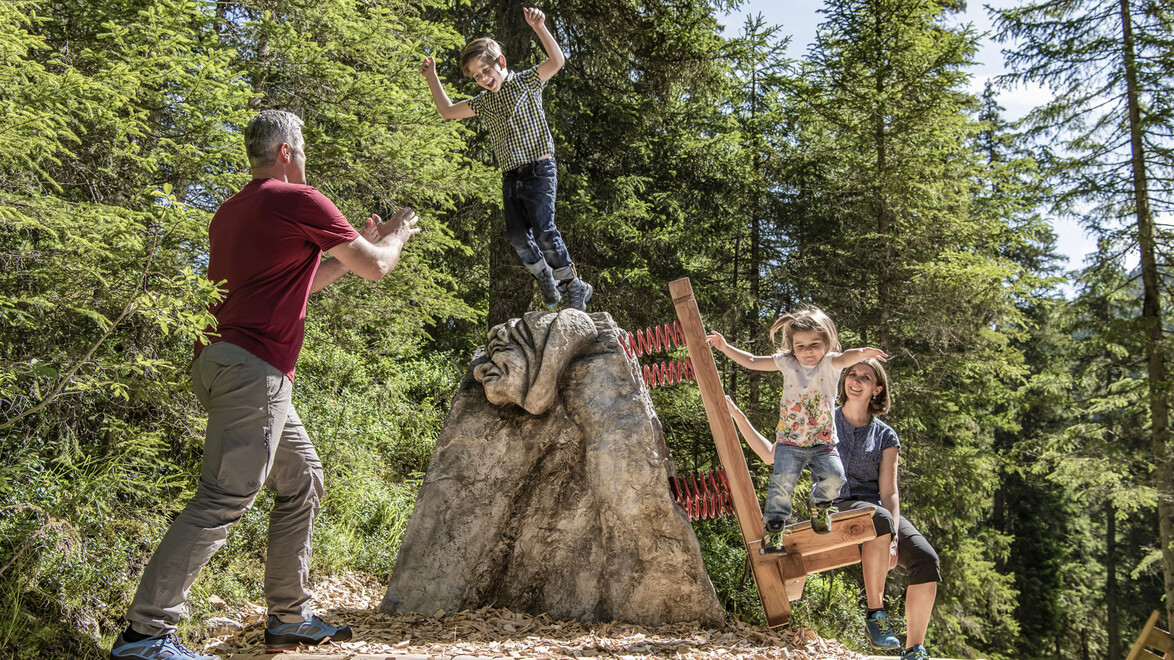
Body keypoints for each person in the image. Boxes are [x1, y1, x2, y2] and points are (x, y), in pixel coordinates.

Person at [111, 110, 420, 660]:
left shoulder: (231, 211)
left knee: (302, 477)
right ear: (285, 151)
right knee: (224, 497)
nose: (305, 160)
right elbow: (377, 268)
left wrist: (356, 251)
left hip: (223, 364)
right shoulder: (301, 200)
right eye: (302, 151)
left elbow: (304, 284)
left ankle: (289, 616)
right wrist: (392, 237)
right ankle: (144, 636)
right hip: (256, 371)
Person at [419, 7, 593, 312]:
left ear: (501, 62)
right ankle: (545, 277)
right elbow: (447, 111)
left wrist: (539, 27)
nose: (484, 78)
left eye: (486, 70)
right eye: (477, 76)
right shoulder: (483, 103)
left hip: (540, 169)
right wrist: (433, 77)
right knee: (515, 235)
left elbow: (557, 61)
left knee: (543, 228)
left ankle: (572, 284)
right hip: (512, 175)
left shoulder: (527, 81)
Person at [707, 308, 886, 551]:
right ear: (792, 347)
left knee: (836, 478)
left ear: (826, 343)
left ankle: (820, 504)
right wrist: (725, 347)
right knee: (781, 487)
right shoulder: (787, 363)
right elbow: (751, 361)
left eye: (814, 344)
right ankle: (773, 532)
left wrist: (862, 353)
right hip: (790, 443)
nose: (808, 351)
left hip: (823, 443)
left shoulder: (830, 364)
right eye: (800, 346)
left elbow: (846, 357)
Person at [834, 359, 941, 660]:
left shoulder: (885, 435)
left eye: (865, 377)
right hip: (834, 506)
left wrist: (894, 536)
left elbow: (889, 492)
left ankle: (914, 650)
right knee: (878, 517)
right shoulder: (825, 422)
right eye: (851, 374)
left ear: (877, 389)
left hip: (876, 511)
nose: (855, 380)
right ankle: (875, 613)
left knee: (925, 559)